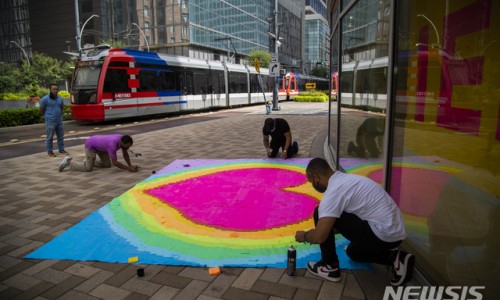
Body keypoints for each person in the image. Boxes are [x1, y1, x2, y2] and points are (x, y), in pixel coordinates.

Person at [295, 158, 414, 286]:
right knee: (353, 252)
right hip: (395, 232)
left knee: (320, 212)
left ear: (316, 177)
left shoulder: (333, 193)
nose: (313, 185)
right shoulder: (346, 179)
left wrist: (304, 236)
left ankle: (330, 266)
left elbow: (320, 236)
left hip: (383, 234)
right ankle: (396, 258)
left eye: (311, 181)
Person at [58, 134, 139, 173]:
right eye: (126, 146)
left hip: (102, 147)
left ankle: (88, 161)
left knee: (107, 165)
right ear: (122, 142)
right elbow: (115, 163)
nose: (127, 148)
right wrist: (128, 168)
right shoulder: (112, 145)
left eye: (129, 146)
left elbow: (125, 154)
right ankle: (69, 162)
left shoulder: (123, 139)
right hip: (91, 146)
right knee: (88, 169)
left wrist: (130, 165)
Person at [39, 84, 67, 157]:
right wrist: (47, 116)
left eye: (56, 89)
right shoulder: (45, 99)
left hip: (59, 120)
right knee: (50, 137)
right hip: (50, 121)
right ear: (50, 90)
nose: (55, 90)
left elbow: (61, 108)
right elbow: (41, 110)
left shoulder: (60, 98)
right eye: (53, 89)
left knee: (60, 136)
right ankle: (50, 151)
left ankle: (61, 149)